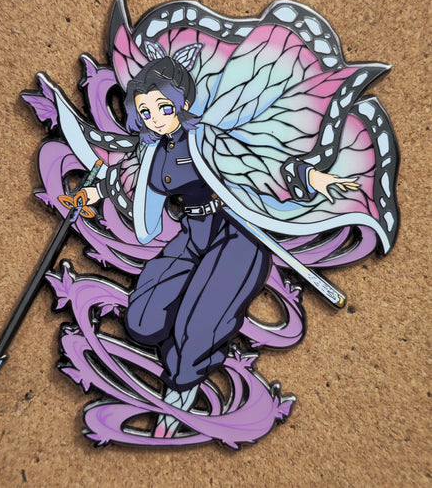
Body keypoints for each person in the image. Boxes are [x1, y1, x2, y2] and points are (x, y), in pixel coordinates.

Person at [81, 57, 358, 437]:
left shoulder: (208, 137)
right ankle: (179, 359)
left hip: (236, 236)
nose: (155, 119)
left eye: (163, 108)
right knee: (142, 321)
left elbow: (260, 164)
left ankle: (179, 395)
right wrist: (91, 193)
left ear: (182, 102)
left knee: (199, 326)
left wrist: (310, 177)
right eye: (146, 111)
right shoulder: (151, 149)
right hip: (193, 232)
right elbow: (126, 177)